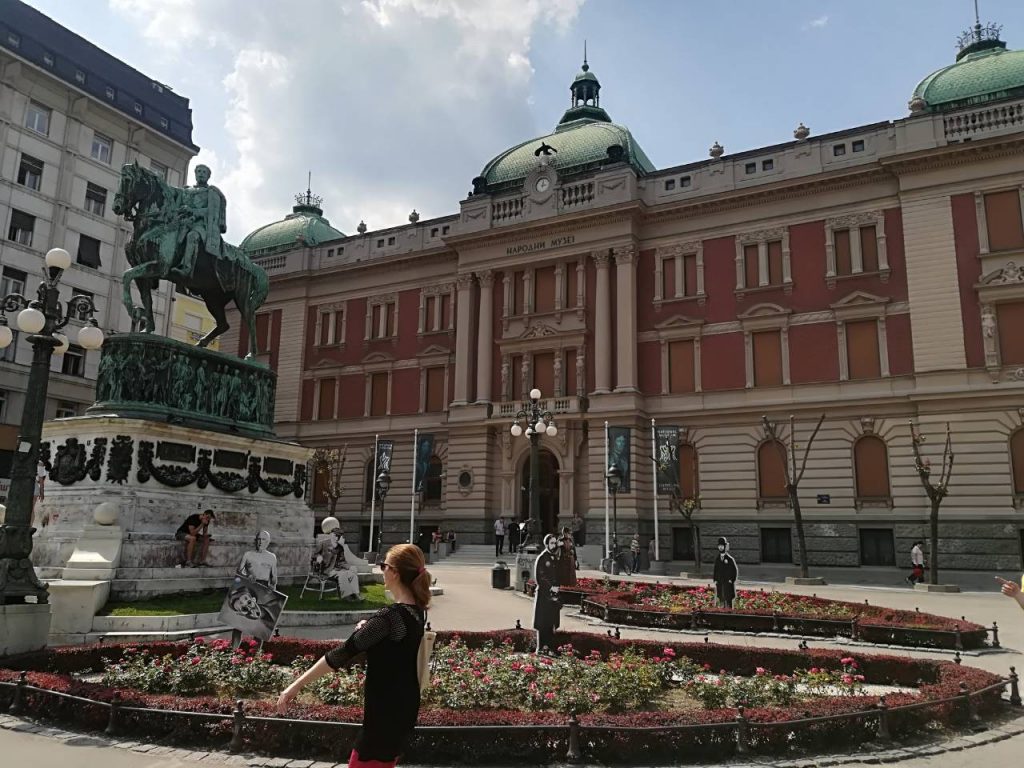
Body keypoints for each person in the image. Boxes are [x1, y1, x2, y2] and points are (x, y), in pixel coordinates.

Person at [278, 544, 430, 767]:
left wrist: (295, 686)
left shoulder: (389, 617)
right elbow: (394, 643)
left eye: (384, 566)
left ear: (395, 573)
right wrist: (369, 627)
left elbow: (339, 655)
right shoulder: (417, 612)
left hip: (383, 712)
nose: (381, 570)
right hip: (405, 706)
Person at [168, 164, 227, 283]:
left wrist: (192, 211)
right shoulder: (186, 190)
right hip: (182, 223)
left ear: (208, 176)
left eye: (204, 172)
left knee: (192, 236)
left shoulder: (211, 192)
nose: (201, 174)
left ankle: (186, 268)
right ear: (195, 174)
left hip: (201, 225)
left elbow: (211, 211)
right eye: (199, 171)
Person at [315, 517, 360, 601]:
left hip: (337, 569)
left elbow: (342, 562)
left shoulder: (340, 547)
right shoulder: (323, 544)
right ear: (331, 534)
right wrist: (318, 557)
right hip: (325, 570)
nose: (336, 538)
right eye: (335, 535)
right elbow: (314, 555)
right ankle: (346, 596)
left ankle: (356, 594)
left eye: (338, 536)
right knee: (342, 574)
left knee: (352, 573)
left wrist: (350, 567)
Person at [532, 534, 561, 653]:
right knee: (542, 622)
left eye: (555, 543)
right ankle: (540, 648)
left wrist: (557, 587)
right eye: (552, 543)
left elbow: (558, 575)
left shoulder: (554, 557)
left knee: (551, 621)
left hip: (553, 595)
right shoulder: (542, 558)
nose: (554, 545)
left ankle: (549, 647)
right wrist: (550, 587)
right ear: (547, 544)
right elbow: (540, 577)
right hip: (544, 595)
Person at [713, 536, 738, 608]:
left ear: (725, 546)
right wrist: (715, 579)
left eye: (722, 546)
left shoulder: (730, 559)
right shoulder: (717, 559)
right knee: (721, 597)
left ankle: (729, 610)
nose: (720, 547)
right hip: (720, 582)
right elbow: (715, 570)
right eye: (719, 546)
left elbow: (734, 570)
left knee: (728, 598)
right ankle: (722, 610)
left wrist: (731, 580)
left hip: (727, 583)